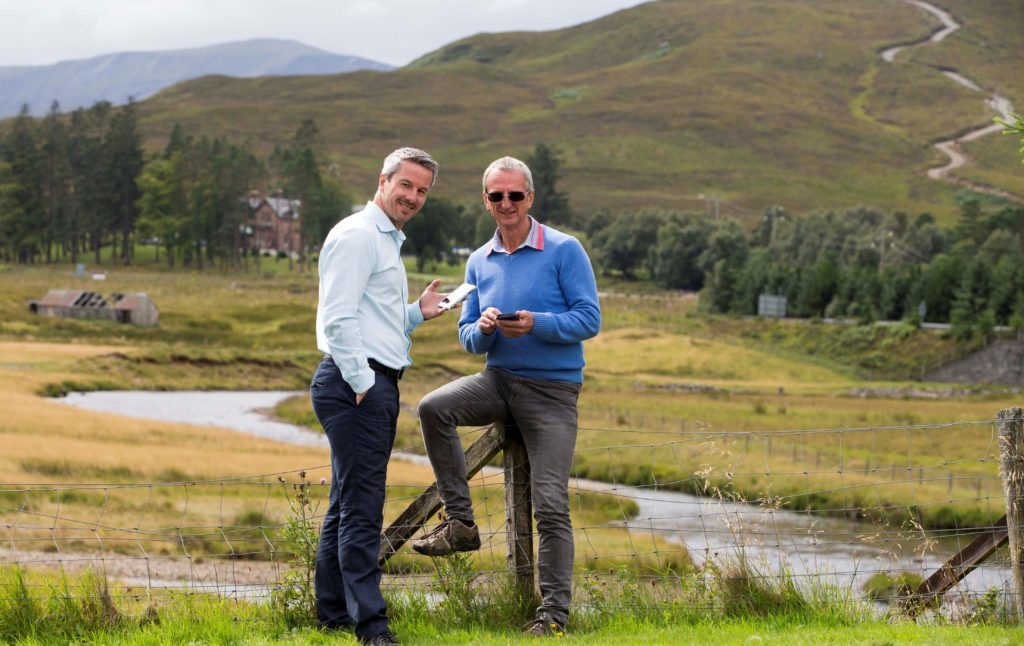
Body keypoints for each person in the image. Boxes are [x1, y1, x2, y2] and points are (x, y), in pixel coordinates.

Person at [412, 156, 601, 636]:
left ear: (530, 198)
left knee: (550, 501)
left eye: (515, 195)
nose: (506, 203)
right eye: (497, 196)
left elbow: (589, 319)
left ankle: (553, 618)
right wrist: (486, 327)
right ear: (486, 201)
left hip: (554, 391)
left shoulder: (564, 249)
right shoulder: (479, 259)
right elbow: (467, 337)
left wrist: (538, 322)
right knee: (433, 407)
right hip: (498, 380)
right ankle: (461, 525)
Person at [312, 147, 452, 646]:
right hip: (358, 384)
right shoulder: (357, 236)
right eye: (406, 185)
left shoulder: (384, 240)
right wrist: (362, 383)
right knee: (363, 508)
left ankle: (332, 616)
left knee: (346, 502)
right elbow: (339, 318)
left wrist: (416, 312)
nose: (413, 197)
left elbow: (373, 316)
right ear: (383, 180)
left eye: (422, 191)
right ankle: (373, 629)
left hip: (369, 380)